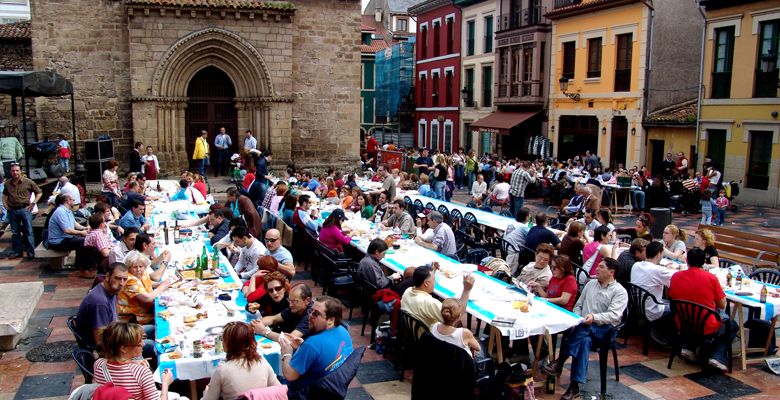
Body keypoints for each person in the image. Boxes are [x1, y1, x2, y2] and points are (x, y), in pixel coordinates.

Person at [543, 258, 628, 400]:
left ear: (611, 272)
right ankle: (574, 387)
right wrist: (577, 318)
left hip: (605, 331)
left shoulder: (620, 292)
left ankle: (561, 360)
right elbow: (579, 304)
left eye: (601, 267)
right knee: (583, 341)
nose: (597, 269)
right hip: (585, 328)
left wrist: (593, 318)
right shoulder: (591, 284)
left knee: (582, 331)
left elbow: (614, 316)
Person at [668, 248, 736, 372]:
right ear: (704, 261)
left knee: (694, 313)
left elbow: (671, 296)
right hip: (705, 325)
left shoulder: (676, 276)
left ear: (687, 261)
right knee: (731, 325)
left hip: (683, 321)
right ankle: (717, 356)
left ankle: (690, 347)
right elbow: (722, 305)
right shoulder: (711, 278)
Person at [202, 321, 280, 399]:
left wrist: (206, 393)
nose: (222, 342)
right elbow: (279, 390)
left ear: (229, 343)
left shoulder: (222, 370)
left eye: (223, 339)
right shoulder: (262, 362)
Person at [401, 264, 475, 327]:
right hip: (429, 339)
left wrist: (432, 271)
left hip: (412, 333)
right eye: (433, 279)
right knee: (459, 326)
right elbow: (456, 317)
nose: (435, 282)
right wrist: (466, 290)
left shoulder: (407, 291)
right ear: (426, 283)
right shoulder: (430, 303)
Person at [76, 262, 129, 349]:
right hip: (109, 348)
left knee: (148, 331)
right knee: (149, 344)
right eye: (118, 278)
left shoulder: (111, 291)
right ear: (107, 276)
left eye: (125, 279)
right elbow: (100, 343)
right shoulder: (100, 303)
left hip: (115, 335)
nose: (122, 284)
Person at [118, 251, 172, 325]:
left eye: (141, 266)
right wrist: (163, 286)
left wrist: (161, 284)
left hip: (147, 313)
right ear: (128, 267)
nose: (138, 270)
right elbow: (147, 298)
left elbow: (147, 283)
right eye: (135, 267)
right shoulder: (129, 279)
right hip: (136, 321)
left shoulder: (142, 273)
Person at [2, 163, 42, 260]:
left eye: (17, 170)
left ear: (20, 171)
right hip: (12, 210)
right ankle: (17, 251)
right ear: (10, 172)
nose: (15, 172)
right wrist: (4, 203)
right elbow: (5, 194)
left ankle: (30, 252)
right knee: (15, 232)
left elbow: (39, 192)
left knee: (28, 232)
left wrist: (33, 203)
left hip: (25, 209)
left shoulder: (28, 182)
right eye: (13, 171)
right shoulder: (7, 183)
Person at [631, 241, 675, 322]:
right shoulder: (658, 270)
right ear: (658, 254)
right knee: (678, 308)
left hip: (638, 307)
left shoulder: (636, 265)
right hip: (653, 311)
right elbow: (677, 279)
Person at [47, 194, 88, 267]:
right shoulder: (61, 212)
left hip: (65, 238)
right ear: (68, 201)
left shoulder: (68, 211)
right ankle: (80, 265)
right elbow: (67, 230)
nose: (74, 201)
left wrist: (85, 228)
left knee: (85, 239)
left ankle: (81, 264)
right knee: (83, 241)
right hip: (58, 241)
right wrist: (81, 232)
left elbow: (75, 224)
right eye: (73, 200)